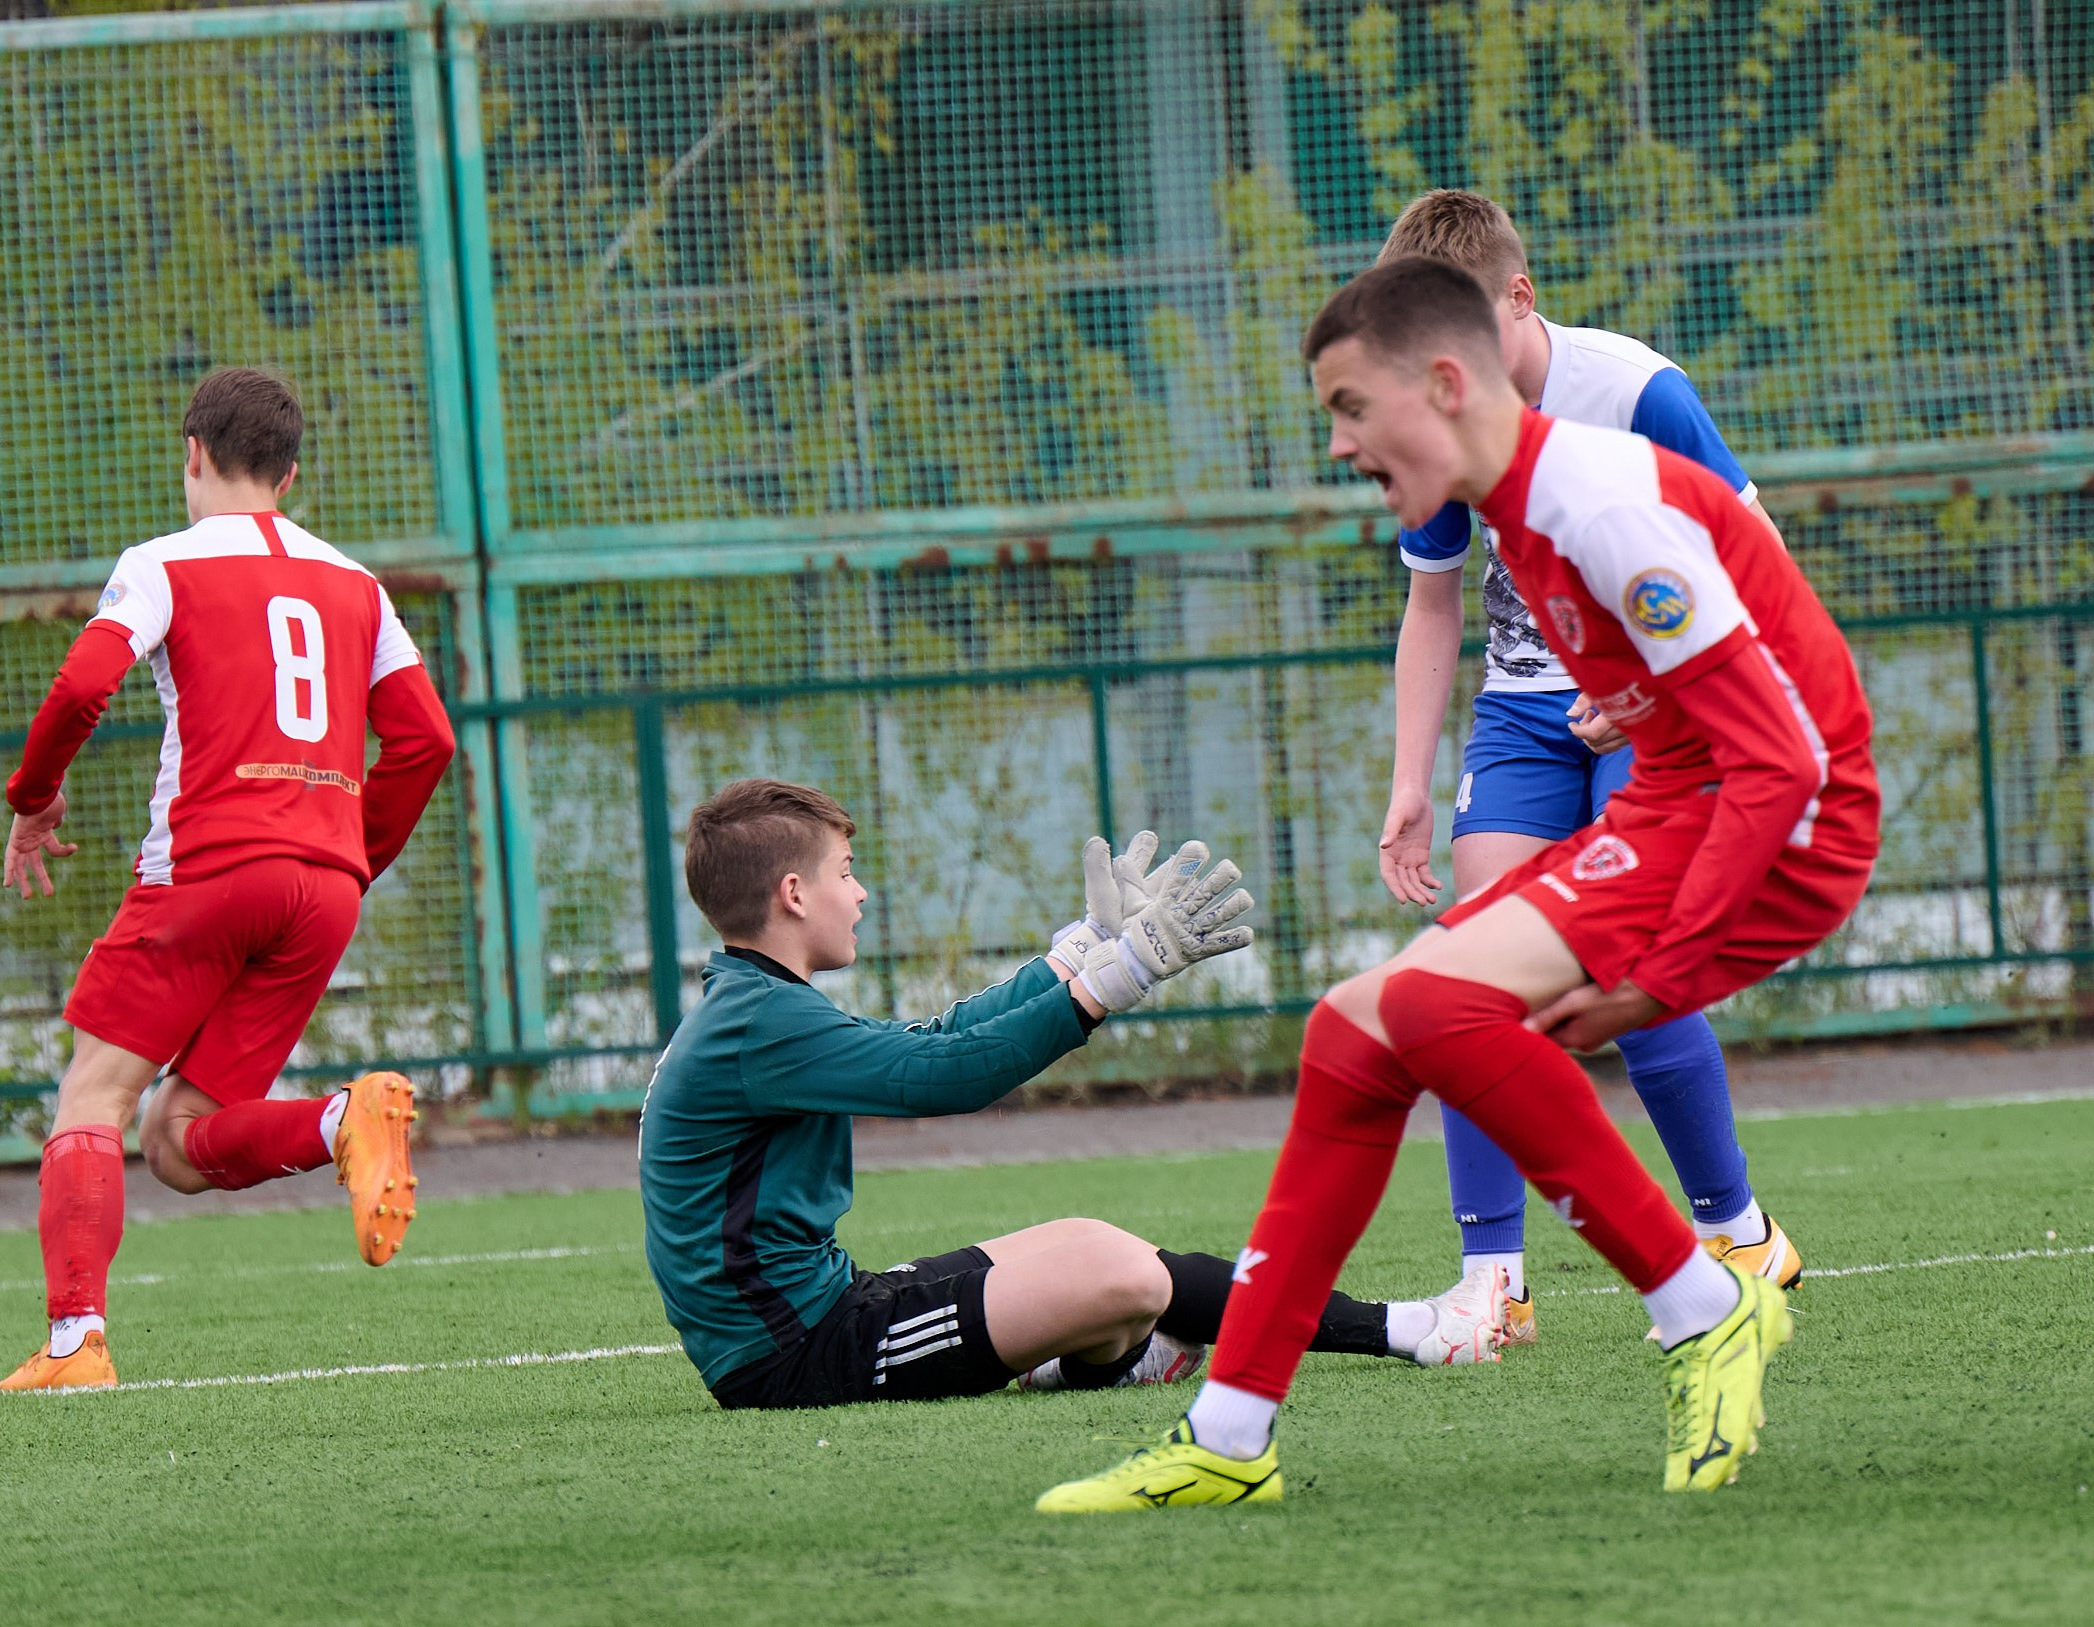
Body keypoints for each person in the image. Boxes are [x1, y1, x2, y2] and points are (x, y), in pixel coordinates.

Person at [1039, 256, 1877, 1509]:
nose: (1336, 443)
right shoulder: (1515, 509)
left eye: (1347, 406)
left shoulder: (1593, 501)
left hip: (1781, 822)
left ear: (1442, 383)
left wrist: (1659, 975)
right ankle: (1229, 1432)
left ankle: (1704, 1301)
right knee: (1351, 1030)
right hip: (1677, 802)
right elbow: (1674, 705)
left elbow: (1784, 755)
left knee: (1430, 1010)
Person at [639, 779, 1509, 1414]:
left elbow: (930, 1042)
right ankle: (1415, 1329)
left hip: (832, 1309)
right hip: (797, 1357)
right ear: (794, 894)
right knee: (1122, 1274)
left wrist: (1078, 953)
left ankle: (1113, 1363)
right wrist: (1114, 979)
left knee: (1095, 1244)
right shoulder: (759, 1023)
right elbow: (947, 1077)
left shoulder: (754, 1006)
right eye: (845, 871)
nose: (860, 892)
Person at [1372, 190, 1799, 1341]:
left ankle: (1738, 1231)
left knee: (1627, 963)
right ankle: (1493, 1283)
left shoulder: (1638, 391)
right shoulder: (1439, 410)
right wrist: (1410, 781)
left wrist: (1658, 689)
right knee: (1468, 974)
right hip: (1518, 716)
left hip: (1657, 712)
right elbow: (1433, 602)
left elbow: (1755, 567)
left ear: (1519, 298)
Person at [0, 367, 458, 1393]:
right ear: (288, 475)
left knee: (96, 1093)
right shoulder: (357, 584)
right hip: (321, 887)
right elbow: (425, 740)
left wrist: (34, 797)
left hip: (207, 869)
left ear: (191, 454)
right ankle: (344, 1119)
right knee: (182, 1141)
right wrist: (346, 856)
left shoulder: (162, 563)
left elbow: (80, 684)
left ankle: (75, 1343)